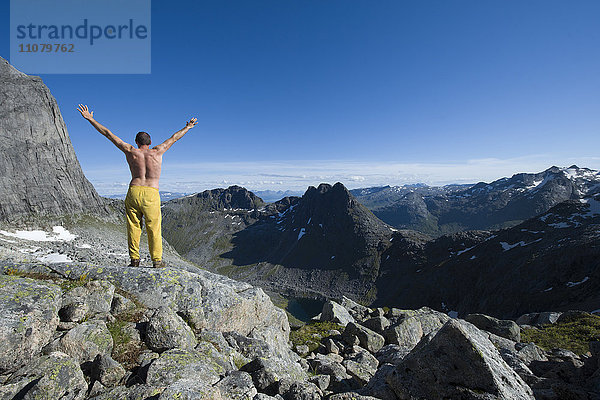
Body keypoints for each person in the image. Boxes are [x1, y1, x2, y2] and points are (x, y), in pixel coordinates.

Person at [77, 104, 197, 268]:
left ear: (136, 142)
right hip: (151, 193)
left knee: (134, 227)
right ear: (150, 142)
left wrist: (91, 119)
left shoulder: (130, 150)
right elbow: (174, 137)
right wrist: (188, 127)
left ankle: (134, 260)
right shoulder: (158, 151)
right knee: (153, 227)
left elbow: (108, 134)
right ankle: (157, 261)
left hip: (134, 191)